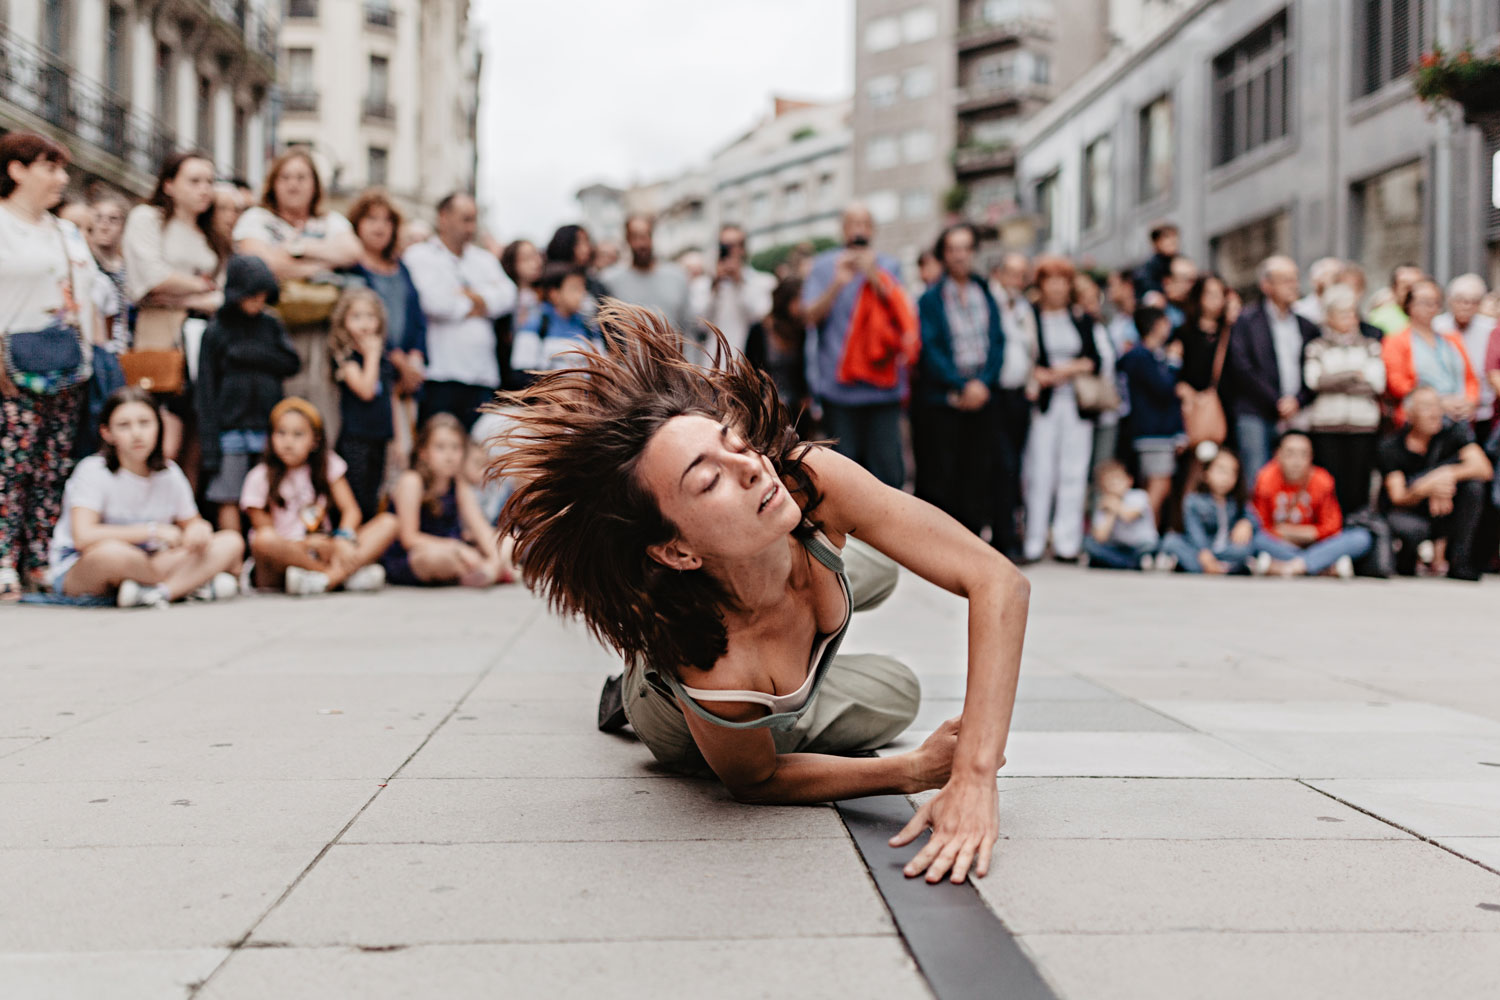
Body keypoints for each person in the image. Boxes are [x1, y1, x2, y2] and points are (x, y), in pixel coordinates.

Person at [492, 303, 1029, 886]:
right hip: (691, 707)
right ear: (677, 550)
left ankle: (799, 644)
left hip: (782, 598)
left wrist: (976, 773)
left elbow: (997, 579)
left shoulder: (803, 480)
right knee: (889, 699)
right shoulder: (714, 665)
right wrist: (911, 770)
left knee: (892, 623)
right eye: (708, 478)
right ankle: (631, 689)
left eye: (734, 444)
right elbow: (756, 780)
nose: (751, 467)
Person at [0, 132, 102, 600]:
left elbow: (94, 293)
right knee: (10, 465)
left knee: (51, 465)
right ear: (17, 170)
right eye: (50, 167)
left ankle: (37, 558)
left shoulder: (66, 231)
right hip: (11, 362)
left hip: (66, 362)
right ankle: (3, 559)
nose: (61, 179)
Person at [47, 387, 242, 606]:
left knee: (230, 541)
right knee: (112, 554)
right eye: (124, 426)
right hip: (89, 565)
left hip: (153, 562)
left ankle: (160, 593)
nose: (136, 434)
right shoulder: (92, 470)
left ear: (159, 427)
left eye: (145, 423)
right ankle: (193, 583)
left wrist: (198, 530)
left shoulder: (169, 473)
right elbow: (84, 536)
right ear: (106, 433)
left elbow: (192, 523)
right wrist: (153, 531)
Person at [122, 151, 229, 460]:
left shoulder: (212, 235)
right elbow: (152, 280)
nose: (204, 189)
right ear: (168, 184)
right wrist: (201, 286)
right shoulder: (147, 219)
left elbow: (222, 293)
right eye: (194, 181)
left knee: (197, 430)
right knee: (159, 432)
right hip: (159, 335)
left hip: (204, 338)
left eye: (209, 181)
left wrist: (180, 290)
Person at [799, 203, 913, 488]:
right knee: (845, 482)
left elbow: (904, 318)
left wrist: (873, 276)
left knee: (889, 477)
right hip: (839, 391)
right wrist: (837, 284)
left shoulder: (889, 265)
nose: (859, 230)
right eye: (853, 223)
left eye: (865, 224)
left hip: (882, 388)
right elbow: (807, 317)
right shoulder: (825, 266)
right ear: (843, 228)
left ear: (872, 229)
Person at [240, 397, 396, 595]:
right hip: (286, 553)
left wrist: (342, 539)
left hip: (325, 546)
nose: (288, 442)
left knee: (388, 523)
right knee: (264, 540)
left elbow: (351, 510)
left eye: (298, 435)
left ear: (315, 440)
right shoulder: (259, 477)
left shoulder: (328, 464)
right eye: (281, 433)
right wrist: (305, 544)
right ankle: (340, 577)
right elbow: (264, 529)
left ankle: (323, 580)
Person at [912, 223, 1005, 537]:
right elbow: (931, 348)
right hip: (947, 398)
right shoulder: (931, 298)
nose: (960, 255)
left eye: (966, 248)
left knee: (980, 472)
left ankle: (975, 539)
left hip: (983, 393)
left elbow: (997, 342)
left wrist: (983, 383)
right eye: (953, 249)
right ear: (944, 255)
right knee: (946, 474)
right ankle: (947, 545)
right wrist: (961, 385)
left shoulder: (986, 291)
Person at [195, 255, 300, 532]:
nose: (257, 302)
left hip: (267, 425)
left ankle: (264, 553)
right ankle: (232, 556)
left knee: (265, 493)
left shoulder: (271, 324)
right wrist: (209, 444)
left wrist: (251, 356)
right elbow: (205, 388)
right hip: (230, 426)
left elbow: (292, 362)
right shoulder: (216, 330)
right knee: (228, 493)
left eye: (263, 296)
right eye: (251, 295)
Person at [403, 193, 516, 431]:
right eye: (465, 219)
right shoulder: (419, 256)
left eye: (474, 220)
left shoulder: (483, 259)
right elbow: (435, 302)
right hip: (441, 375)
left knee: (476, 456)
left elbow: (509, 295)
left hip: (482, 376)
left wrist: (469, 296)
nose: (471, 228)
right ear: (444, 218)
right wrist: (482, 301)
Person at [1022, 255, 1103, 562]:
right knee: (1039, 471)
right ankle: (1034, 539)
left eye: (1063, 280)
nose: (1057, 287)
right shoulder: (1030, 315)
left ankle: (1067, 542)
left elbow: (1092, 359)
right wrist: (1041, 375)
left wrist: (1063, 371)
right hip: (1043, 405)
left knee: (1074, 470)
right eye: (1050, 280)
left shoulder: (1081, 317)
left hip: (1076, 404)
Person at [381, 413, 513, 587]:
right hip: (418, 554)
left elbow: (479, 526)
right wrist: (457, 548)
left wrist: (493, 554)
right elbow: (409, 538)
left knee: (508, 540)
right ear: (423, 453)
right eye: (440, 448)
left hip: (456, 550)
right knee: (435, 558)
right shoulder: (412, 481)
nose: (449, 456)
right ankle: (489, 571)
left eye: (455, 448)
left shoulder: (458, 484)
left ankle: (488, 570)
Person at [1377, 386, 1493, 580]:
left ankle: (1460, 561)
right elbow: (1398, 497)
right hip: (1410, 512)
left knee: (1474, 486)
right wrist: (1426, 486)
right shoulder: (1391, 446)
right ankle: (1406, 558)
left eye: (1437, 406)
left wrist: (1446, 474)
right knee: (1411, 528)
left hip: (1444, 511)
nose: (1434, 413)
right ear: (1410, 415)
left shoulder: (1452, 432)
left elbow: (1484, 468)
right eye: (1426, 407)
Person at [1223, 255, 1319, 478]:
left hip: (1296, 412)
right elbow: (1241, 368)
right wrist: (1275, 400)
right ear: (1266, 285)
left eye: (1295, 279)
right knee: (1257, 476)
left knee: (1296, 477)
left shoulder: (1306, 326)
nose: (1293, 285)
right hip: (1255, 411)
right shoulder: (1246, 321)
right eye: (1285, 280)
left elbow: (1313, 368)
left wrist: (1297, 400)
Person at [1303, 283, 1385, 516]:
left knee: (1358, 487)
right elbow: (1315, 381)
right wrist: (1353, 375)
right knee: (1330, 486)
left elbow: (1376, 383)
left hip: (1363, 426)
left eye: (1352, 312)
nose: (1350, 318)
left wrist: (1334, 381)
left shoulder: (1370, 345)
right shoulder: (1317, 347)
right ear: (1328, 316)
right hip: (1327, 426)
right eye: (1342, 313)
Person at [1249, 431, 1371, 578]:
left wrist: (1294, 533)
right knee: (1255, 539)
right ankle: (1321, 566)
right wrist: (1287, 535)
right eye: (1290, 453)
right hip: (1281, 544)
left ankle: (1289, 567)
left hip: (1316, 543)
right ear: (1278, 455)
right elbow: (1262, 525)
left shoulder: (1322, 480)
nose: (1296, 461)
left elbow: (1333, 527)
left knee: (1361, 538)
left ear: (1311, 457)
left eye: (1303, 454)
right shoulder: (1265, 478)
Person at [346, 189, 428, 405]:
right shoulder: (352, 269)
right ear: (357, 224)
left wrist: (416, 357)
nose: (380, 226)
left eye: (387, 220)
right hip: (370, 369)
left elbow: (417, 316)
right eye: (372, 219)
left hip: (407, 373)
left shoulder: (402, 268)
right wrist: (397, 359)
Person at [328, 288, 399, 521]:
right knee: (355, 494)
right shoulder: (347, 357)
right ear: (343, 321)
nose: (365, 323)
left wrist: (396, 438)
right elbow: (366, 390)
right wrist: (371, 356)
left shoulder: (383, 357)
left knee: (373, 494)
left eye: (370, 316)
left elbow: (390, 397)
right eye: (356, 317)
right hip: (355, 437)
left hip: (380, 435)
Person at [989, 252, 1037, 558]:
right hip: (996, 394)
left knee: (1016, 466)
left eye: (1022, 274)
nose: (1016, 280)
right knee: (1002, 465)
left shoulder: (1024, 307)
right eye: (1012, 273)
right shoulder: (992, 303)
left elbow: (1031, 349)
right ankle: (1003, 535)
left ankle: (1011, 533)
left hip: (1020, 394)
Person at [1382, 277, 1479, 425]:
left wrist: (1469, 402)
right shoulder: (1396, 341)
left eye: (1436, 302)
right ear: (1409, 305)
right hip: (1419, 420)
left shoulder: (1451, 339)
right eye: (1425, 302)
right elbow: (1398, 384)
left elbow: (1470, 378)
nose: (1432, 307)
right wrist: (1437, 402)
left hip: (1458, 417)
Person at [1118, 306, 1184, 520]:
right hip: (1153, 431)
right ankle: (1147, 534)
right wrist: (1174, 363)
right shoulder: (1142, 356)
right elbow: (1163, 389)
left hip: (1155, 430)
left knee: (1155, 485)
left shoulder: (1150, 355)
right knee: (1159, 485)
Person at [1157, 447, 1257, 574]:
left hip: (1225, 549)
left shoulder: (1237, 500)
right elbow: (1194, 531)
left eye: (1233, 472)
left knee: (1247, 549)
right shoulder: (1194, 501)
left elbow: (1255, 519)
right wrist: (1204, 553)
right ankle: (1219, 568)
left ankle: (1207, 567)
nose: (1226, 477)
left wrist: (1246, 523)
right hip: (1201, 550)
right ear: (1206, 473)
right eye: (1221, 470)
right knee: (1171, 541)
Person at [689, 222, 775, 362]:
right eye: (726, 246)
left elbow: (760, 319)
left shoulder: (762, 282)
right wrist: (714, 287)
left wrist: (739, 281)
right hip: (713, 367)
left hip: (750, 365)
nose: (732, 251)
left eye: (737, 245)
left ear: (744, 248)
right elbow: (699, 326)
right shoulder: (703, 285)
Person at [604, 214, 693, 348]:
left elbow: (688, 330)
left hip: (673, 366)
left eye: (646, 235)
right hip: (628, 367)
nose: (642, 243)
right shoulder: (610, 281)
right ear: (627, 239)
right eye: (635, 237)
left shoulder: (677, 277)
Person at [509, 263, 603, 375]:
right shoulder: (536, 323)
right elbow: (521, 372)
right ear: (554, 294)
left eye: (583, 287)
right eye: (575, 288)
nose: (582, 294)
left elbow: (602, 370)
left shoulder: (589, 327)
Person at [1434, 274, 1496, 434]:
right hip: (1445, 408)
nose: (1466, 306)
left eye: (1473, 301)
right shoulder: (1437, 327)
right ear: (1450, 300)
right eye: (1461, 300)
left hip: (1484, 408)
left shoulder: (1490, 329)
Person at [1083, 460, 1159, 570]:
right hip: (1118, 546)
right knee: (1089, 543)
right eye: (1109, 483)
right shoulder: (1105, 503)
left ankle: (1117, 562)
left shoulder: (1139, 496)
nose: (1114, 485)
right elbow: (1100, 537)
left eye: (1117, 480)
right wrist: (1110, 514)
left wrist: (1115, 505)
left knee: (1152, 547)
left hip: (1139, 545)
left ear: (1129, 480)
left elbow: (1129, 516)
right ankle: (1129, 564)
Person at [760, 275, 812, 433]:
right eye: (798, 299)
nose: (803, 304)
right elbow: (752, 366)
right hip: (766, 406)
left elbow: (803, 371)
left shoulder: (802, 330)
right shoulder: (761, 329)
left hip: (796, 409)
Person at [85, 190, 131, 355]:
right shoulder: (84, 264)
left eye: (113, 219)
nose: (104, 226)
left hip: (124, 351)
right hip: (95, 350)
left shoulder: (128, 269)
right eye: (98, 218)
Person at [545, 223, 610, 326]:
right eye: (578, 243)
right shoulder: (545, 284)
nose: (586, 248)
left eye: (587, 242)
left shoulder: (596, 286)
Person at [1367, 263, 1425, 336]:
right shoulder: (1381, 318)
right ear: (1394, 289)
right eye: (1407, 287)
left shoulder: (1434, 319)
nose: (1412, 293)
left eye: (1417, 287)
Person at [1132, 222, 1179, 301]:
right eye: (1167, 237)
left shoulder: (1180, 261)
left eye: (1174, 236)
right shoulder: (1149, 268)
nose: (1173, 241)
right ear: (1156, 242)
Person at [1293, 257, 1345, 325]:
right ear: (1316, 280)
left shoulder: (1348, 310)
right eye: (1334, 277)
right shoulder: (1300, 309)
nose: (1338, 282)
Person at [1159, 254, 1197, 329]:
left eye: (1195, 281)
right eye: (1186, 280)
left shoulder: (1196, 313)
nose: (1192, 286)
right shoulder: (1158, 312)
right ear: (1167, 282)